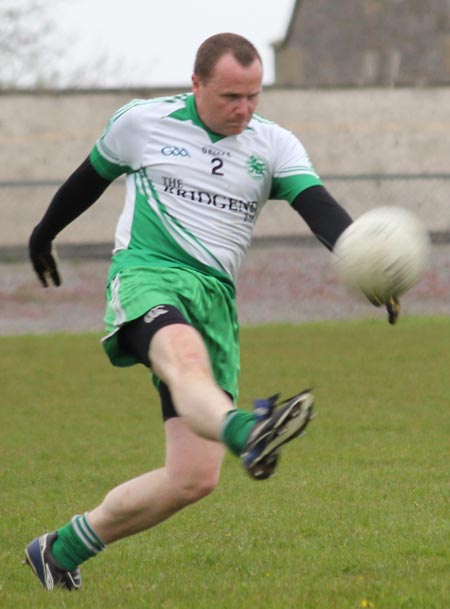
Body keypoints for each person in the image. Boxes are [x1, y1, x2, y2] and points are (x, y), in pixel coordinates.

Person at [24, 32, 398, 591]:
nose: (243, 109)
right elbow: (89, 180)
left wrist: (361, 258)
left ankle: (59, 550)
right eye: (229, 97)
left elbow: (317, 207)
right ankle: (250, 429)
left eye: (253, 96)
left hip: (215, 299)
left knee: (192, 479)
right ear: (197, 84)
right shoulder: (142, 123)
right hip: (149, 276)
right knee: (183, 356)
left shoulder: (273, 144)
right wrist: (43, 234)